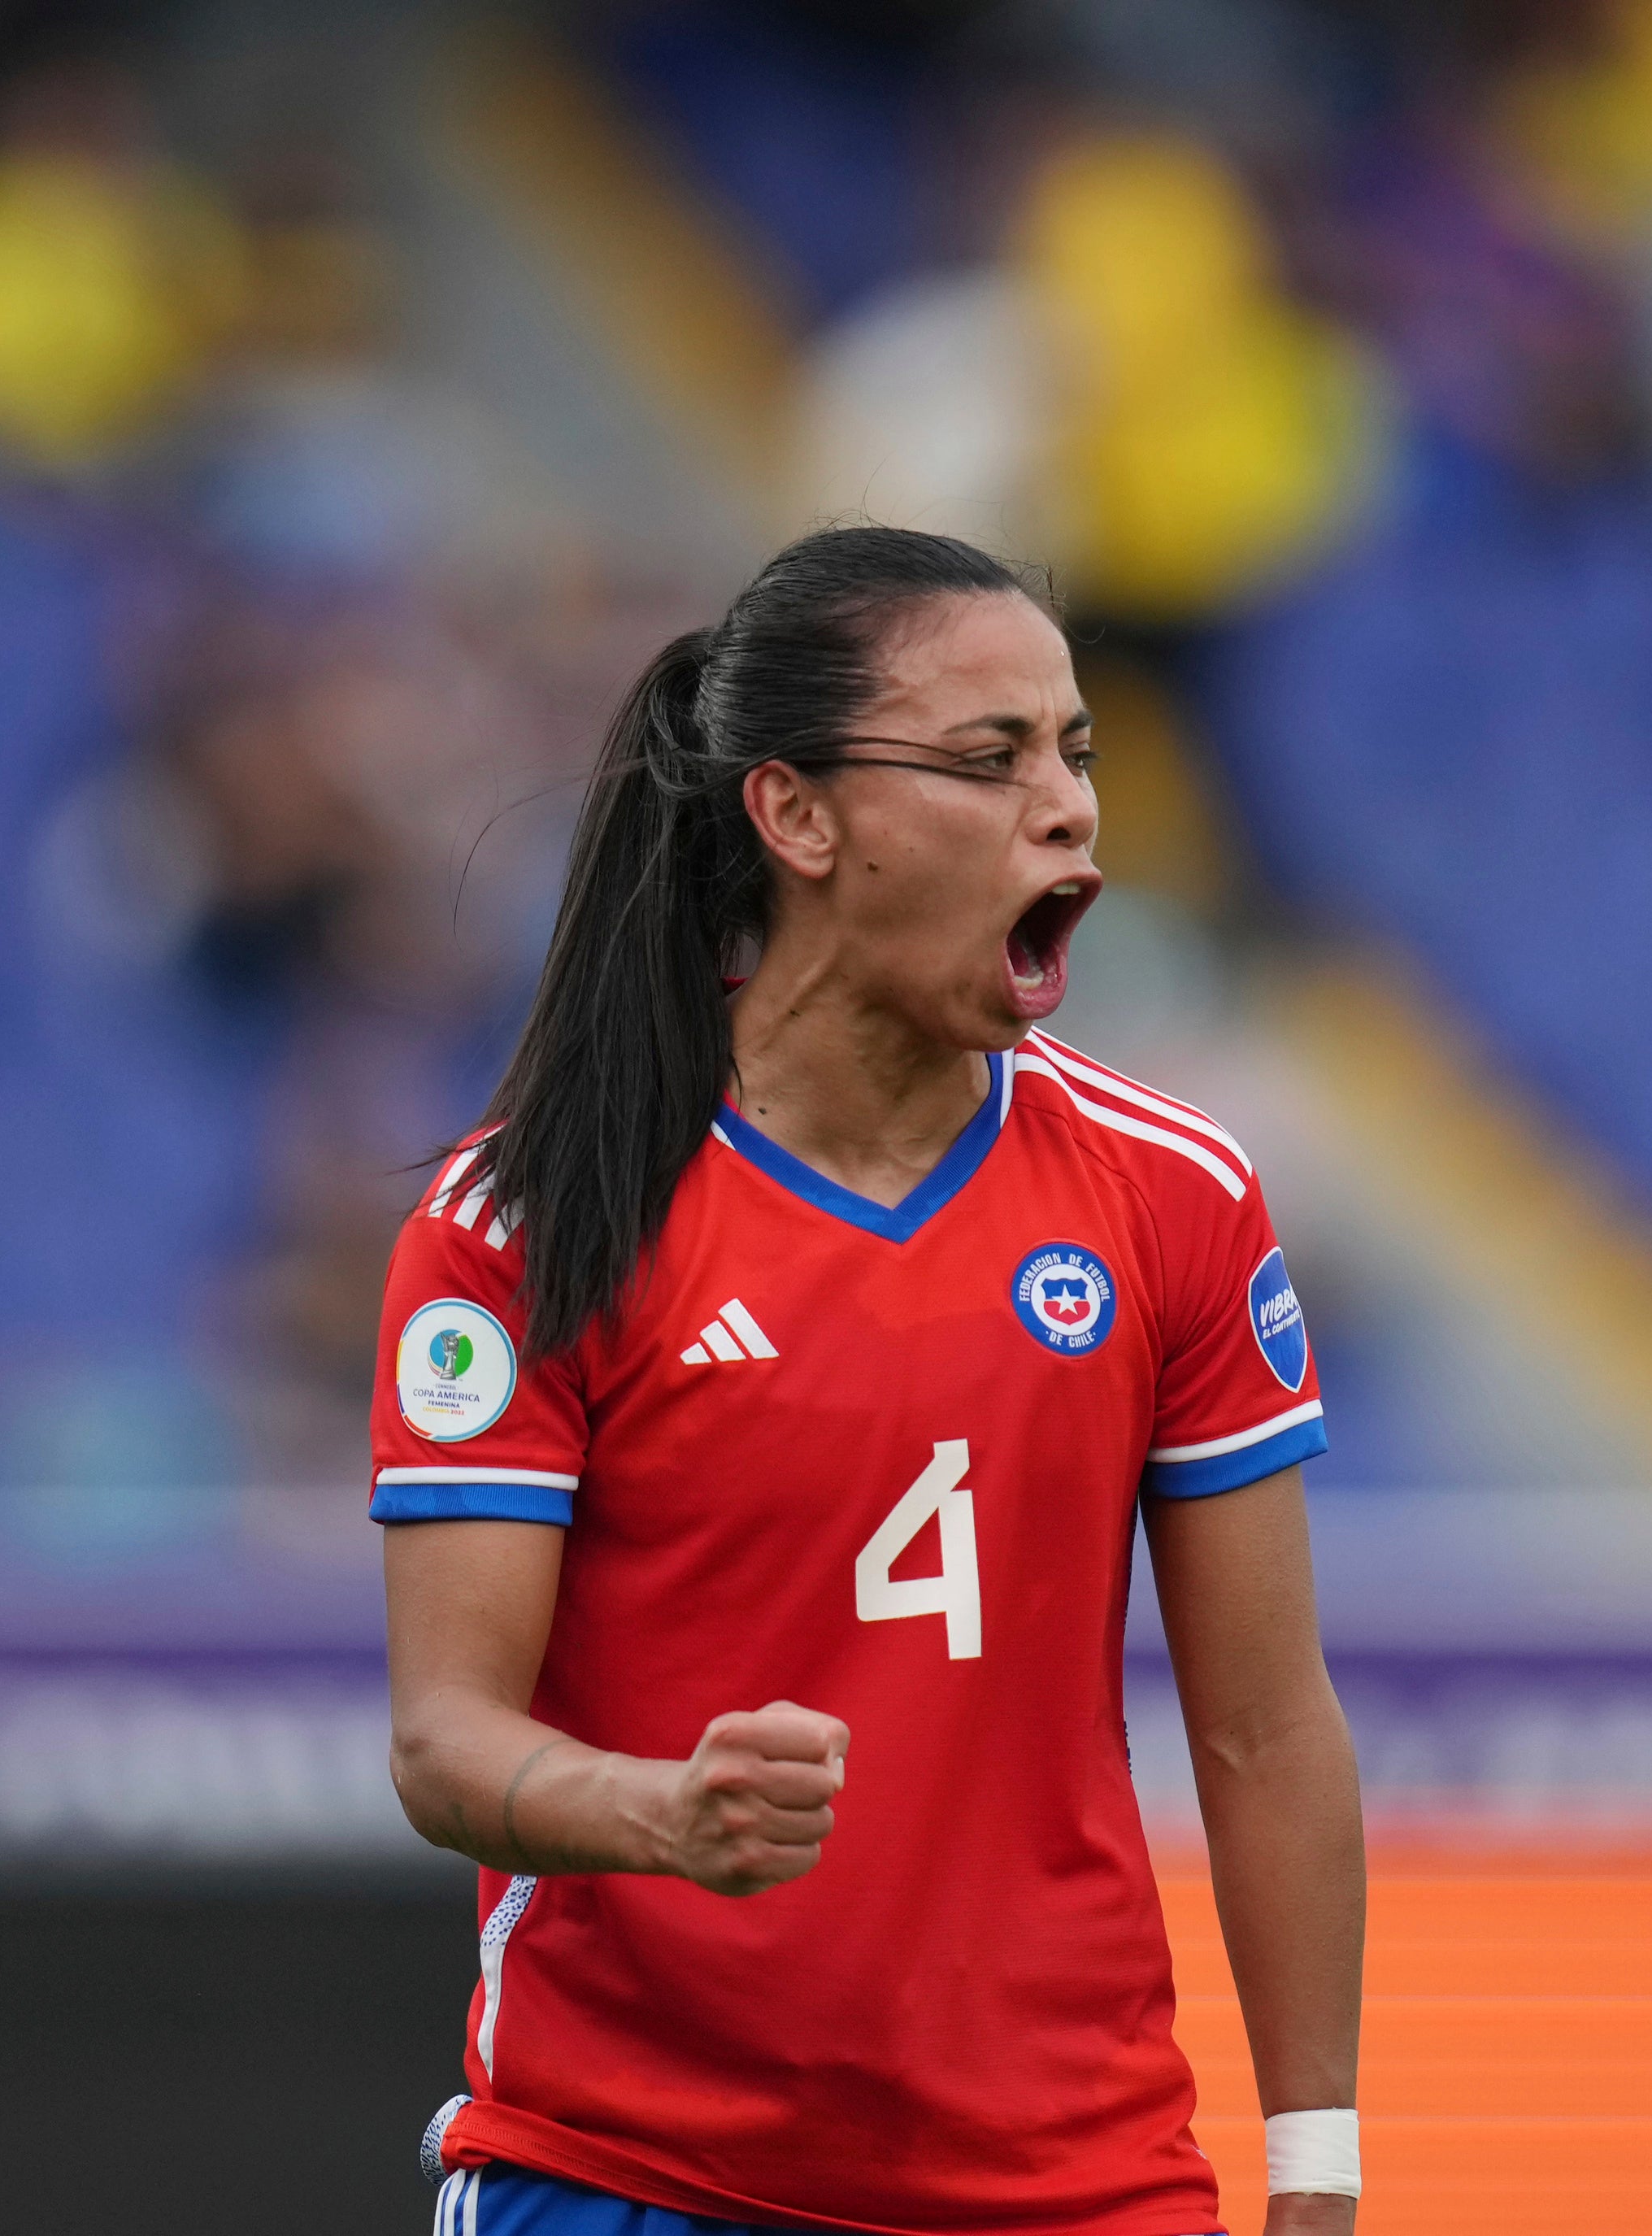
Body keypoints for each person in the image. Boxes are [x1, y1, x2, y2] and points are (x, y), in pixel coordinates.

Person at [373, 525, 1365, 2234]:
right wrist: (656, 1812)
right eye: (988, 759)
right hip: (628, 2172)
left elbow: (1264, 1726)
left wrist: (1316, 2171)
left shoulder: (1171, 1195)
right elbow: (443, 1737)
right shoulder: (533, 1221)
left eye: (1074, 753)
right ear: (797, 817)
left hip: (1069, 2183)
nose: (1065, 807)